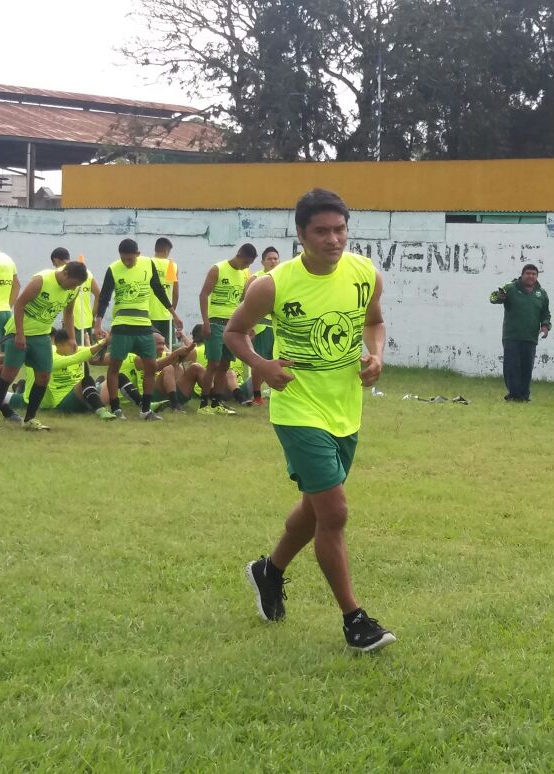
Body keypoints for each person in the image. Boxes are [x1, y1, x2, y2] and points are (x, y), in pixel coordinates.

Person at [226, 188, 396, 653]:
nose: (333, 239)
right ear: (301, 235)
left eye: (339, 229)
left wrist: (376, 355)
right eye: (321, 231)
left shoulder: (365, 274)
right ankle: (355, 621)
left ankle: (270, 571)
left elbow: (375, 322)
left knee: (315, 509)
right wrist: (262, 367)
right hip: (297, 407)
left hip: (345, 408)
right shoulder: (273, 285)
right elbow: (234, 332)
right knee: (335, 512)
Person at [0, 260, 88, 431]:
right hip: (19, 333)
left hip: (42, 336)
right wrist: (19, 333)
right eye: (73, 283)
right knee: (8, 375)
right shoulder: (41, 280)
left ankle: (30, 419)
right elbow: (19, 304)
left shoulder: (73, 290)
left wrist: (71, 337)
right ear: (65, 274)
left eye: (76, 285)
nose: (73, 288)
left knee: (44, 376)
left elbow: (68, 313)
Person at [93, 238, 182, 421]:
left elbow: (159, 290)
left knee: (150, 367)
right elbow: (104, 297)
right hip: (122, 325)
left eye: (130, 259)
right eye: (124, 259)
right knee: (114, 367)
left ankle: (145, 410)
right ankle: (116, 408)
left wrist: (174, 314)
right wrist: (98, 323)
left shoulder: (148, 264)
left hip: (143, 326)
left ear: (138, 254)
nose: (127, 263)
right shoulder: (113, 269)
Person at [198, 243, 257, 415]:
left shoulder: (245, 273)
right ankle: (204, 403)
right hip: (216, 322)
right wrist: (206, 322)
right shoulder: (218, 269)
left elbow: (244, 301)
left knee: (225, 365)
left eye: (249, 264)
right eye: (245, 262)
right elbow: (203, 295)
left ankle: (217, 402)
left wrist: (247, 325)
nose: (246, 266)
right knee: (213, 363)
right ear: (238, 255)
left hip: (232, 325)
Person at [10, 329, 115, 418]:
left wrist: (105, 341)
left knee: (116, 378)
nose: (74, 348)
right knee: (86, 380)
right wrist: (102, 343)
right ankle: (100, 410)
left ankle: (115, 408)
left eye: (75, 345)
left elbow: (88, 350)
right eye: (70, 345)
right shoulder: (52, 358)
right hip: (62, 401)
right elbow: (77, 358)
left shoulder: (73, 350)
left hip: (79, 394)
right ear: (59, 345)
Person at [489, 263, 551, 402]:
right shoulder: (510, 287)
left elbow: (545, 313)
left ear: (537, 277)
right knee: (511, 367)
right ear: (522, 275)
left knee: (527, 367)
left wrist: (545, 326)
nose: (531, 276)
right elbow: (493, 298)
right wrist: (500, 297)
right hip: (511, 335)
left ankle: (524, 395)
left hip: (530, 336)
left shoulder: (542, 293)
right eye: (528, 273)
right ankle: (514, 394)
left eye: (534, 274)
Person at [245, 246, 281, 405]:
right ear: (262, 262)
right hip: (261, 325)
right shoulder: (255, 278)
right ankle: (257, 396)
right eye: (269, 259)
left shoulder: (282, 277)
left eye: (275, 258)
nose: (273, 261)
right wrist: (248, 325)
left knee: (278, 360)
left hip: (278, 327)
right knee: (259, 362)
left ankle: (276, 394)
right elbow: (245, 304)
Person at [50, 248, 99, 345]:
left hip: (73, 323)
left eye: (54, 264)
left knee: (72, 354)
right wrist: (92, 315)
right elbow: (99, 295)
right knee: (86, 354)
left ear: (55, 260)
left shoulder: (60, 273)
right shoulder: (86, 272)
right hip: (86, 321)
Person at [150, 237, 179, 347]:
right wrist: (172, 312)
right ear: (167, 251)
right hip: (166, 315)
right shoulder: (172, 265)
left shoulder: (148, 263)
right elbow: (175, 293)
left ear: (155, 249)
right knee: (167, 348)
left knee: (148, 348)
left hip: (149, 314)